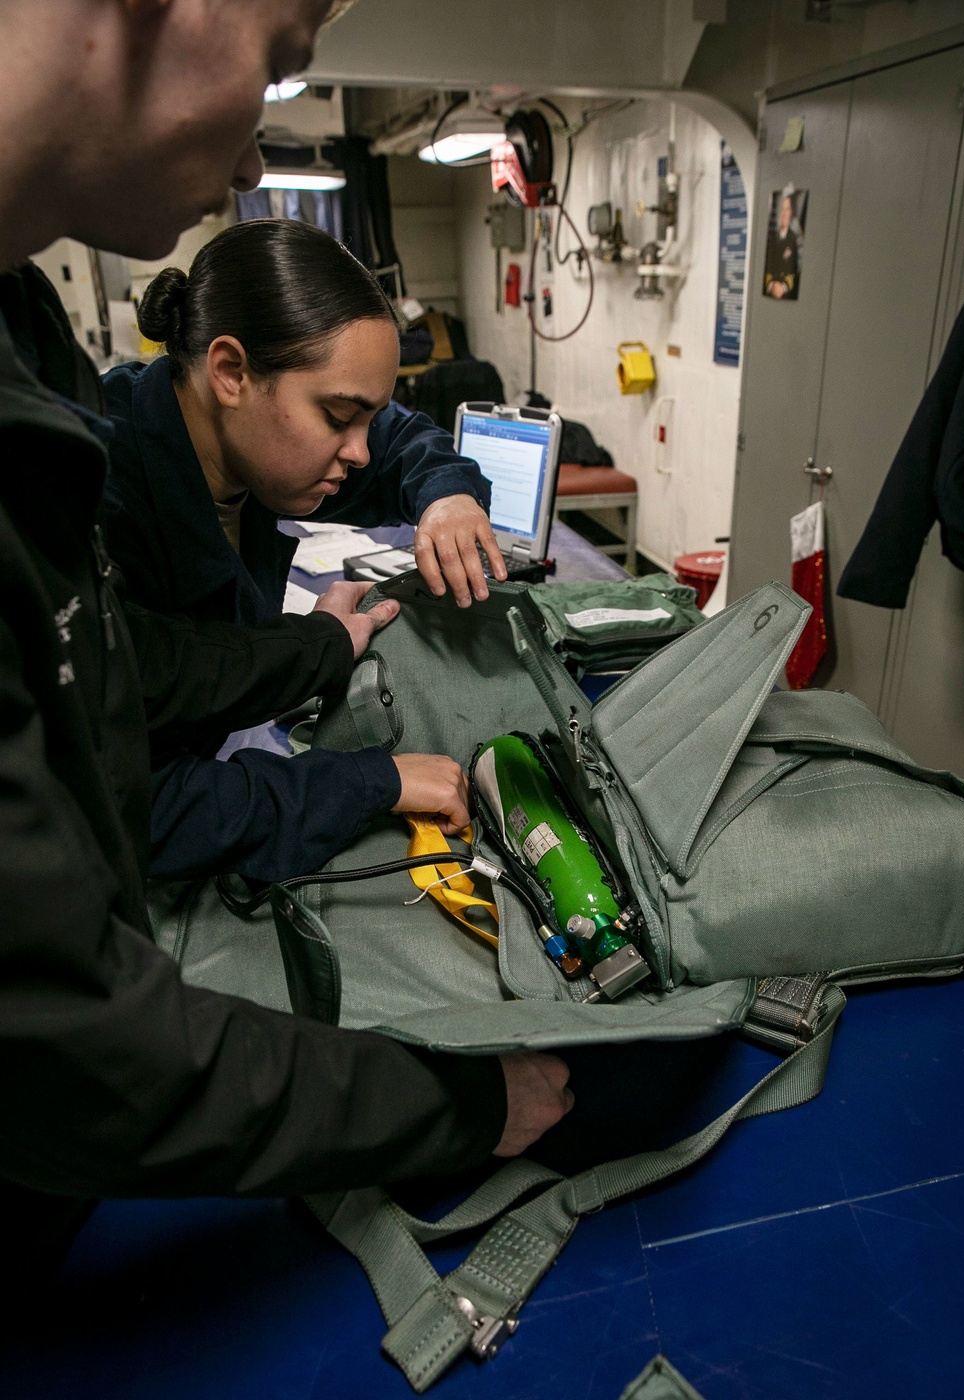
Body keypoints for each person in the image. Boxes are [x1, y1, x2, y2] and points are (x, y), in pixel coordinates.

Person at [0, 0, 572, 1282]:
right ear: (229, 371)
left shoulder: (55, 364)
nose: (258, 158)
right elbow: (117, 849)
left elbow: (132, 677)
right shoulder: (92, 476)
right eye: (277, 65)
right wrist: (364, 782)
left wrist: (432, 504)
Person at [101, 218, 504, 881]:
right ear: (230, 371)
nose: (361, 451)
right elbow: (138, 808)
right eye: (341, 419)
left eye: (367, 418)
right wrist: (368, 781)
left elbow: (402, 444)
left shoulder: (254, 447)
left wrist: (446, 495)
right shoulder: (100, 501)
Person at [763, 188, 801, 300]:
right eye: (782, 209)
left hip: (786, 295)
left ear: (791, 212)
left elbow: (795, 270)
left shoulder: (793, 238)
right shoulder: (771, 238)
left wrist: (783, 287)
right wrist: (771, 285)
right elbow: (767, 266)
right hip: (770, 293)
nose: (785, 213)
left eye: (787, 209)